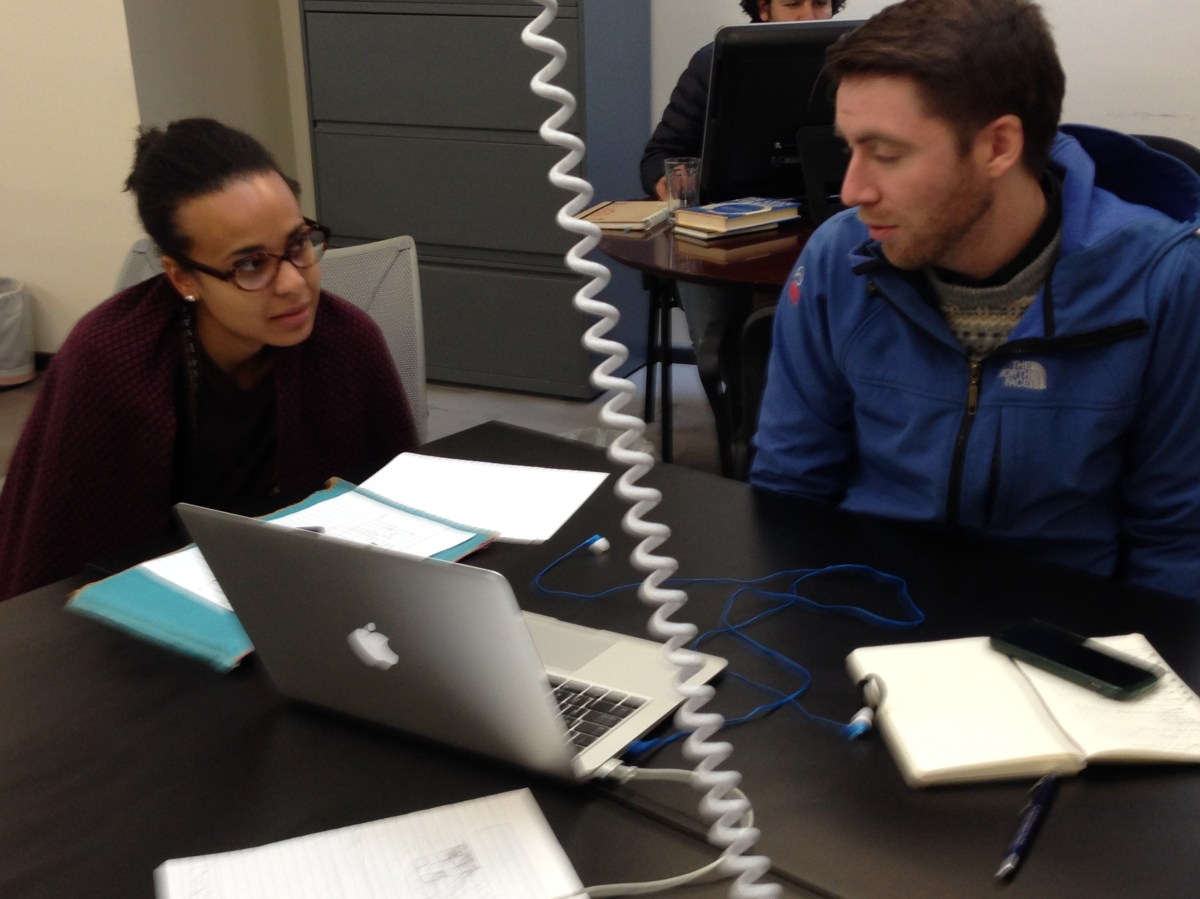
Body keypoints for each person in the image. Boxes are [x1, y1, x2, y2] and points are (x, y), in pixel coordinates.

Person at [750, 0, 1200, 600]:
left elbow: (1177, 538)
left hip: (1060, 621)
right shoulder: (839, 258)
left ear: (998, 146)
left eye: (887, 154)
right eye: (849, 149)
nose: (853, 190)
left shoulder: (1162, 281)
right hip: (869, 607)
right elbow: (789, 488)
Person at [0, 118, 418, 600]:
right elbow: (58, 571)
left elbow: (401, 520)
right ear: (182, 278)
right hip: (150, 607)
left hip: (305, 593)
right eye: (250, 264)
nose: (293, 283)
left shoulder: (346, 342)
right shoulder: (109, 361)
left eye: (298, 244)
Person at [638, 0, 847, 462]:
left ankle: (818, 432)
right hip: (725, 236)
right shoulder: (714, 64)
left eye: (821, 4)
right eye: (793, 4)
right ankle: (741, 435)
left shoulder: (856, 64)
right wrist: (680, 190)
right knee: (723, 338)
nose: (810, 17)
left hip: (822, 226)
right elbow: (660, 156)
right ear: (763, 10)